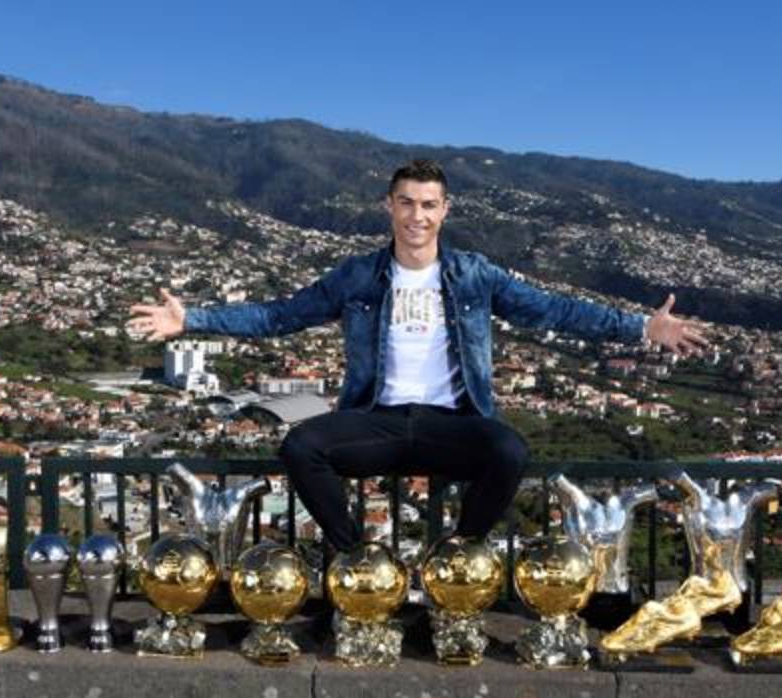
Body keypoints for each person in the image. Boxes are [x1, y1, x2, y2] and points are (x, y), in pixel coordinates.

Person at [128, 159, 707, 552]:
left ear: (445, 210)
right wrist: (190, 319)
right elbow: (281, 315)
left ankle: (456, 555)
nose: (417, 216)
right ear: (389, 207)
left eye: (428, 205)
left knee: (508, 449)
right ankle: (357, 556)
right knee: (300, 444)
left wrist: (641, 328)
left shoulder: (473, 276)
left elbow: (551, 309)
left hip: (452, 423)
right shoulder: (359, 276)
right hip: (378, 419)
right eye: (406, 203)